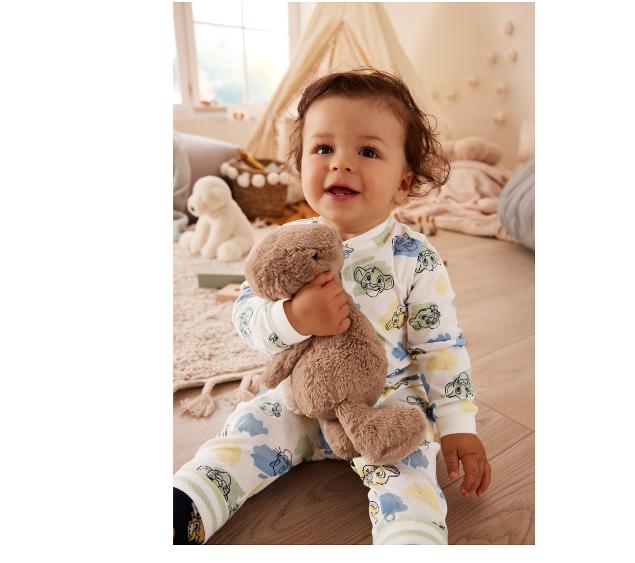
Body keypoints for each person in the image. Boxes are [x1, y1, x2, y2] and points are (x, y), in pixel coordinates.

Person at [173, 68, 492, 545]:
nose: (340, 163)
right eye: (323, 149)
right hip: (300, 398)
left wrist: (458, 424)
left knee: (411, 477)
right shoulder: (284, 243)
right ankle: (188, 505)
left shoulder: (415, 256)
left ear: (403, 182)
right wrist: (291, 318)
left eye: (368, 152)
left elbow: (441, 347)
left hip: (387, 406)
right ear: (299, 165)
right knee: (244, 433)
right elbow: (245, 315)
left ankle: (411, 539)